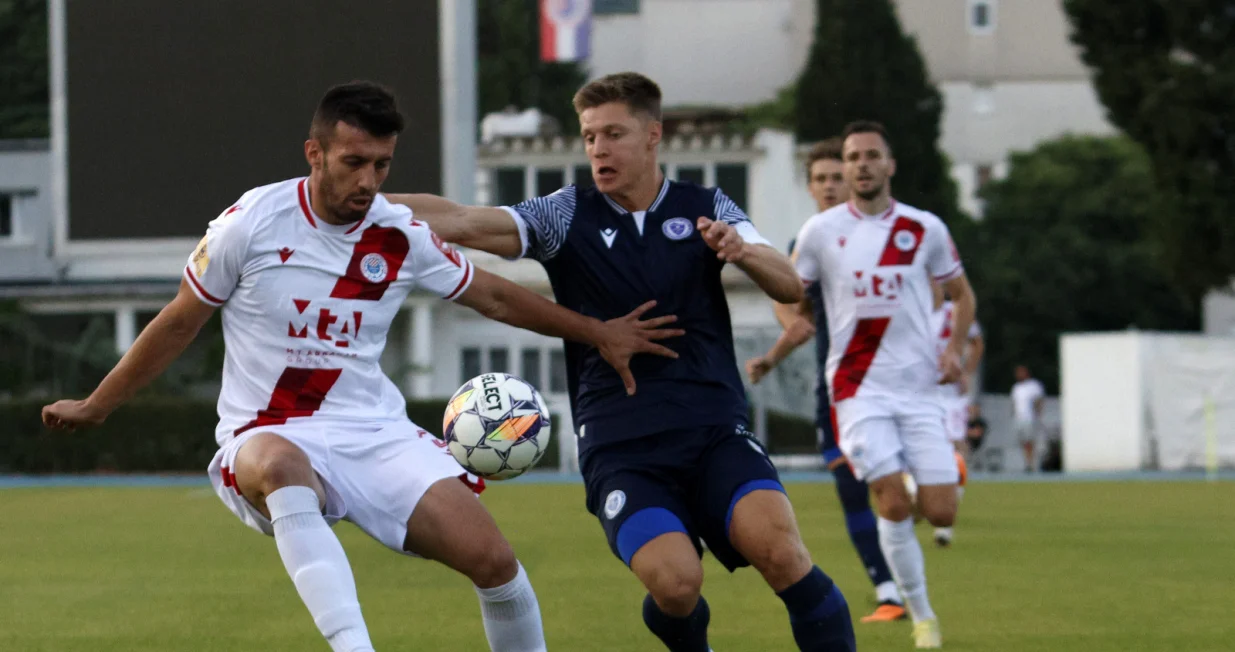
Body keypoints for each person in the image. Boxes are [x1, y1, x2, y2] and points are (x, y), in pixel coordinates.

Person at [41, 81, 687, 652]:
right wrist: (98, 404)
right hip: (266, 432)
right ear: (313, 153)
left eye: (381, 165)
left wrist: (596, 332)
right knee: (280, 463)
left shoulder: (397, 232)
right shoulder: (250, 223)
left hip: (372, 431)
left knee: (495, 562)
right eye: (354, 164)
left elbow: (492, 295)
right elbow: (181, 319)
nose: (369, 183)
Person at [386, 72, 856, 652]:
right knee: (678, 585)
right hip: (623, 448)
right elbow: (463, 221)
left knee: (784, 555)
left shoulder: (707, 206)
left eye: (613, 134)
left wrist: (744, 253)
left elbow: (789, 286)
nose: (598, 150)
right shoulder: (566, 215)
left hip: (714, 433)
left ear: (653, 135)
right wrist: (363, 200)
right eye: (589, 137)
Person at [791, 120, 977, 649]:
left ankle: (915, 485)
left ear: (890, 165)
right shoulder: (821, 233)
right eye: (853, 157)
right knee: (892, 503)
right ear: (845, 167)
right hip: (856, 388)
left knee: (941, 512)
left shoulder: (924, 229)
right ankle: (922, 618)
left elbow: (962, 295)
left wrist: (953, 350)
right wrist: (791, 325)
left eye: (872, 155)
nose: (862, 165)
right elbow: (790, 288)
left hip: (919, 388)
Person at [745, 138, 906, 623]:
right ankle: (888, 592)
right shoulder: (809, 243)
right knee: (851, 489)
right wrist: (776, 348)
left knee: (894, 486)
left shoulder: (886, 235)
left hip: (898, 384)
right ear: (811, 188)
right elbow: (790, 301)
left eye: (838, 177)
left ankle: (929, 486)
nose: (832, 186)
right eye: (822, 179)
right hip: (838, 389)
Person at [927, 281, 984, 547]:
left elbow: (977, 343)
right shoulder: (913, 309)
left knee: (956, 451)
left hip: (950, 395)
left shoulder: (954, 311)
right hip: (919, 395)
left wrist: (968, 371)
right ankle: (926, 505)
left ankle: (948, 514)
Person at [1010, 365, 1046, 472]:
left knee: (1029, 441)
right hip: (1018, 418)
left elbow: (1039, 401)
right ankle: (1027, 461)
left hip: (1029, 418)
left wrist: (1037, 415)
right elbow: (1014, 403)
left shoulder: (1033, 386)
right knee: (1022, 442)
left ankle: (1030, 463)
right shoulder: (1016, 387)